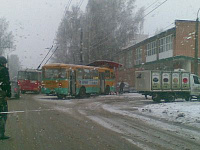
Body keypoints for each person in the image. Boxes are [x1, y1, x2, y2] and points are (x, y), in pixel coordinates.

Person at [0, 56, 11, 140]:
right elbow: (7, 83)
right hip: (1, 95)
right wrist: (8, 94)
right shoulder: (4, 70)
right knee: (3, 114)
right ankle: (1, 134)